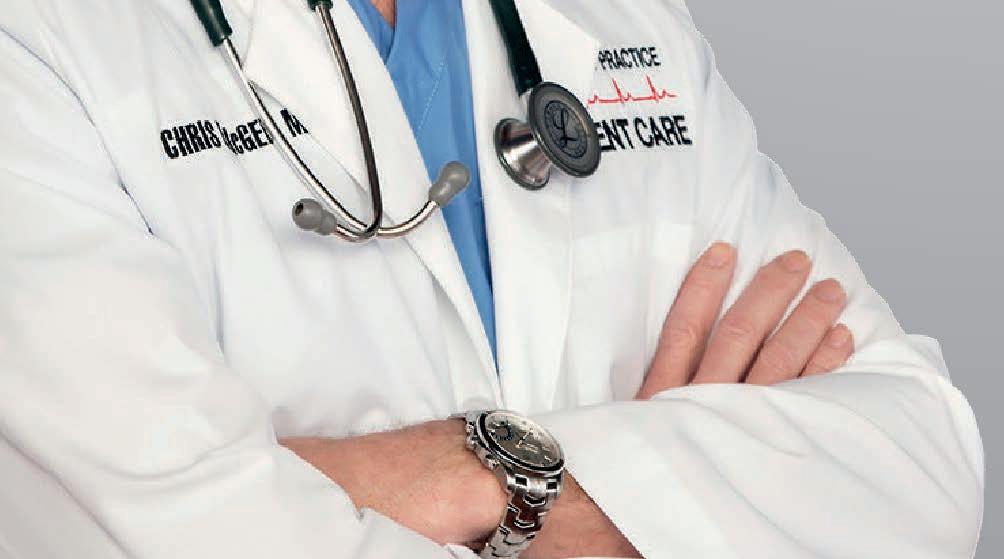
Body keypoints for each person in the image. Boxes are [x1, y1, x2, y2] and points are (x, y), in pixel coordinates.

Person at [0, 0, 983, 558]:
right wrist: (675, 500)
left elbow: (923, 458)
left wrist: (472, 472)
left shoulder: (619, 19)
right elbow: (128, 540)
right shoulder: (34, 41)